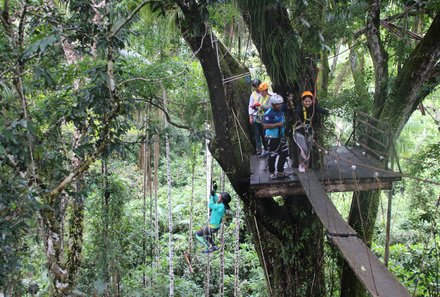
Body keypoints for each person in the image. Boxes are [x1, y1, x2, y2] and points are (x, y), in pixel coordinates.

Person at [293, 91, 329, 173]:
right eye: (306, 101)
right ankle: (301, 164)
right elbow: (297, 111)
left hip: (309, 131)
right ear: (302, 101)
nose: (307, 103)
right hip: (299, 131)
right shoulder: (299, 107)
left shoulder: (313, 107)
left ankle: (306, 165)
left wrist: (326, 112)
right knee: (304, 149)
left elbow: (320, 110)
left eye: (309, 101)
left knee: (308, 150)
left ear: (312, 101)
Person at [263, 94, 289, 179]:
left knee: (284, 153)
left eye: (280, 104)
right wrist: (278, 124)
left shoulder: (280, 109)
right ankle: (271, 172)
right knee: (272, 155)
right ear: (273, 105)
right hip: (272, 137)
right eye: (278, 104)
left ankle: (280, 171)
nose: (280, 105)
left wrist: (289, 99)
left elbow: (288, 105)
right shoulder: (268, 113)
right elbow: (265, 126)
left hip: (281, 136)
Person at [249, 80, 271, 155]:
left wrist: (260, 106)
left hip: (265, 117)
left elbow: (269, 106)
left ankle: (266, 147)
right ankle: (259, 149)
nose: (257, 90)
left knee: (264, 133)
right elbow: (250, 106)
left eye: (258, 87)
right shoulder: (253, 95)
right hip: (257, 116)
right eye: (255, 88)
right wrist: (251, 116)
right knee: (257, 133)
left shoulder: (267, 95)